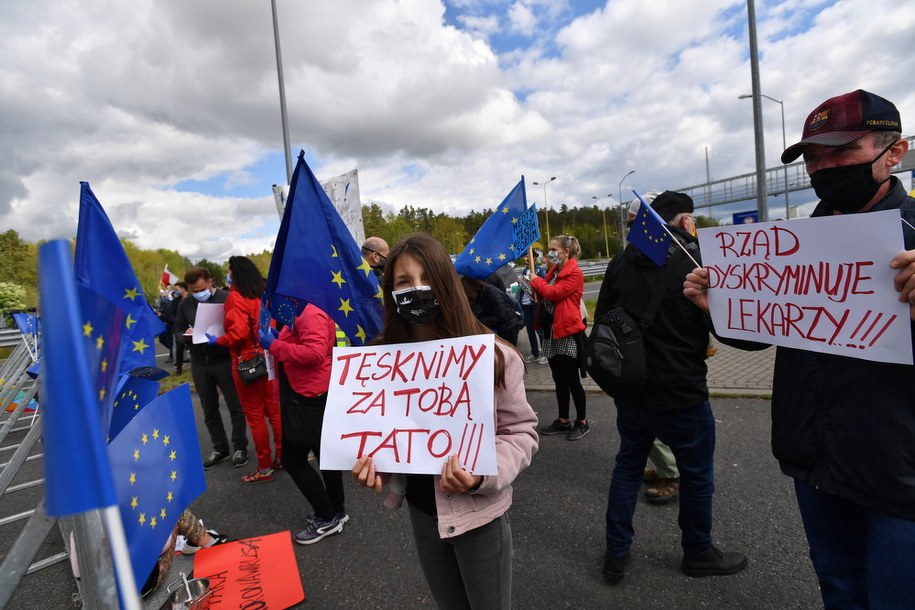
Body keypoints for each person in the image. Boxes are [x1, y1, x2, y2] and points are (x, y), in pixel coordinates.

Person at [685, 89, 915, 609]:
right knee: (839, 591)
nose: (823, 167)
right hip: (815, 458)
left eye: (840, 152)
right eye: (813, 156)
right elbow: (763, 332)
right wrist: (718, 305)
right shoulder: (798, 243)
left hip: (900, 476)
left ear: (893, 152)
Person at [351, 234, 538, 609]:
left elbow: (520, 433)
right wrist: (373, 465)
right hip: (423, 513)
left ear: (447, 283)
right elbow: (384, 434)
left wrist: (481, 474)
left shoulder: (494, 355)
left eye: (428, 277)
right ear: (389, 291)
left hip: (478, 514)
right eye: (403, 282)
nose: (417, 289)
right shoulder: (380, 360)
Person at [597, 191, 747, 584]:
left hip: (632, 390)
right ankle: (698, 552)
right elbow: (724, 320)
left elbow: (602, 326)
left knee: (627, 467)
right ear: (682, 221)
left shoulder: (619, 264)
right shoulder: (696, 263)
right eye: (692, 219)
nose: (694, 226)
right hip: (682, 390)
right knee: (697, 475)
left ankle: (616, 552)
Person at [259, 302, 347, 545]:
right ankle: (336, 510)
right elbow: (306, 343)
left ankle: (327, 516)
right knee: (324, 454)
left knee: (292, 459)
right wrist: (280, 338)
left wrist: (275, 345)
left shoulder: (309, 311)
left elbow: (315, 353)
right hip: (310, 393)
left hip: (309, 395)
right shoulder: (302, 309)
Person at [209, 256, 282, 484]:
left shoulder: (235, 297)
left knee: (255, 415)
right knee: (274, 411)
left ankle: (264, 466)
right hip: (268, 356)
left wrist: (217, 340)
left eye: (229, 271)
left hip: (247, 361)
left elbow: (238, 334)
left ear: (235, 274)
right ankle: (282, 456)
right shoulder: (262, 294)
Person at [174, 267, 249, 470]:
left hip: (224, 359)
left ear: (210, 282)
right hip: (199, 362)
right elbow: (178, 331)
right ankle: (220, 448)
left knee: (236, 406)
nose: (197, 293)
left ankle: (240, 447)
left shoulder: (226, 298)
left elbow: (240, 326)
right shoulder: (186, 304)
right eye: (192, 290)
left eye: (199, 288)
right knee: (209, 409)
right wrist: (186, 334)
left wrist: (223, 335)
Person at [529, 235, 590, 441]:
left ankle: (582, 421)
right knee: (558, 379)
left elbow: (555, 294)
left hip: (567, 332)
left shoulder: (574, 273)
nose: (550, 253)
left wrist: (536, 281)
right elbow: (546, 294)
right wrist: (532, 289)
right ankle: (563, 420)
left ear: (566, 251)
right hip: (551, 331)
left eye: (554, 249)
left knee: (572, 379)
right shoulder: (554, 271)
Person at [459, 275, 523, 345]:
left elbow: (501, 316)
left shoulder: (492, 293)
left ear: (469, 288)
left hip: (508, 328)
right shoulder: (479, 294)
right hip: (501, 327)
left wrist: (478, 320)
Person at [164, 282, 189, 374]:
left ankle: (187, 360)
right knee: (179, 346)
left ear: (183, 288)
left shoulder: (191, 299)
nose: (176, 291)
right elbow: (169, 314)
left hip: (191, 327)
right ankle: (178, 366)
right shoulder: (175, 302)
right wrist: (177, 322)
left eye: (177, 288)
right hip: (179, 328)